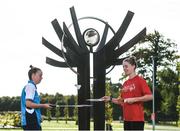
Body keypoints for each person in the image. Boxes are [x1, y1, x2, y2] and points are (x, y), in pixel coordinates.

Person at [102, 56, 153, 131]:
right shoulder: (125, 83)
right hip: (126, 119)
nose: (124, 68)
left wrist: (134, 99)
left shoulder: (140, 81)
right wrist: (110, 99)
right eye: (123, 67)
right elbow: (121, 101)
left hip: (137, 120)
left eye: (126, 66)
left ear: (133, 66)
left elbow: (150, 96)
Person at [21, 65, 52, 130]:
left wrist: (38, 117)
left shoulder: (31, 87)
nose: (42, 78)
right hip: (31, 121)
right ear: (33, 75)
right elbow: (28, 104)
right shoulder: (30, 86)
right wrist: (44, 105)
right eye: (40, 75)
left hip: (31, 121)